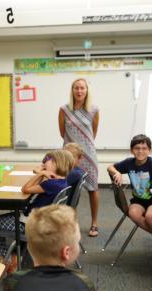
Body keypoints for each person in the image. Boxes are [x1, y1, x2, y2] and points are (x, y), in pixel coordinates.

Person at [0, 150, 74, 273]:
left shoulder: (51, 184)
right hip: (41, 221)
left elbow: (25, 189)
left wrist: (39, 174)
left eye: (48, 160)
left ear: (56, 163)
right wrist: (42, 174)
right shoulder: (61, 182)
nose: (44, 162)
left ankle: (6, 257)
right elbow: (31, 189)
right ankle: (13, 255)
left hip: (29, 224)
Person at [107, 134, 152, 270]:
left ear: (149, 150)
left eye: (144, 148)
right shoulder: (129, 163)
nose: (140, 151)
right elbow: (110, 167)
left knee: (150, 217)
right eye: (137, 148)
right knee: (133, 213)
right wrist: (117, 173)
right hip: (139, 200)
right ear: (132, 150)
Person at [4, 205, 95, 291]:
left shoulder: (15, 281)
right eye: (77, 242)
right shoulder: (83, 283)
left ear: (29, 246)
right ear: (66, 252)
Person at [58, 78, 100, 237]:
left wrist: (84, 145)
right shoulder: (64, 109)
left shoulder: (94, 110)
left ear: (87, 90)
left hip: (88, 154)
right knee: (67, 189)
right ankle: (68, 223)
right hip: (68, 155)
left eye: (82, 88)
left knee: (93, 188)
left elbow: (93, 132)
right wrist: (73, 148)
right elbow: (62, 132)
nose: (79, 91)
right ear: (72, 90)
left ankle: (94, 223)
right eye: (76, 88)